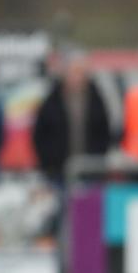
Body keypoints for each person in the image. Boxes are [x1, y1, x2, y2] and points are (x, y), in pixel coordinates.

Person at [33, 50, 111, 183]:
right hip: (57, 173)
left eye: (81, 72)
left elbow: (104, 132)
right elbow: (40, 135)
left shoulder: (96, 100)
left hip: (90, 171)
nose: (77, 77)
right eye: (74, 71)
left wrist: (97, 159)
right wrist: (49, 161)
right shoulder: (51, 100)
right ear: (65, 73)